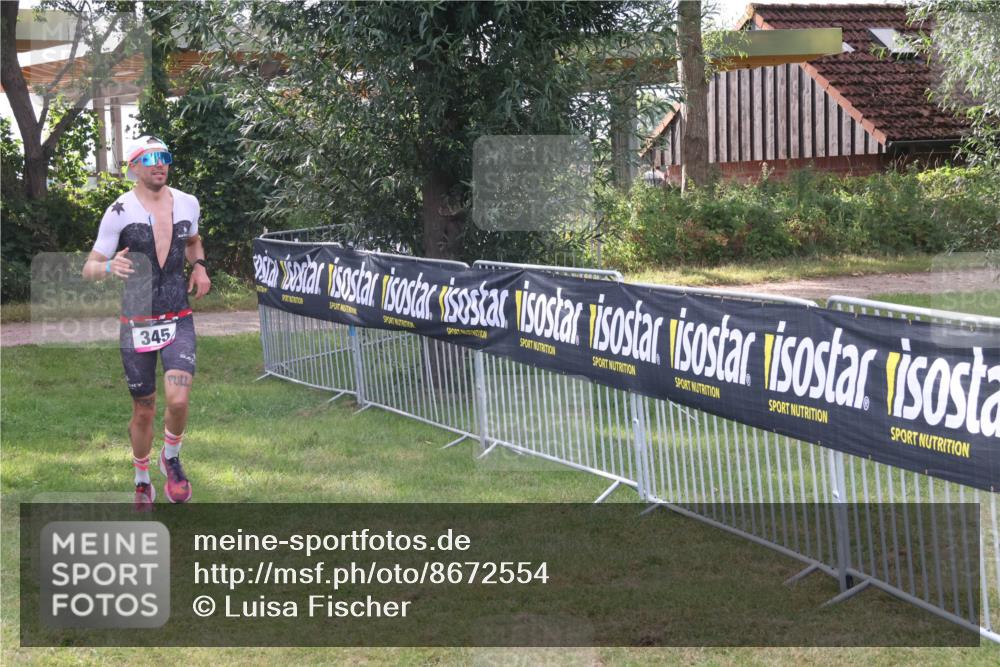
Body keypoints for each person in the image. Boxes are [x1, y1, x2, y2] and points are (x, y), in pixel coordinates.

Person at [81, 136, 211, 511]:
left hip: (178, 317)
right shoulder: (118, 211)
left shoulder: (188, 202)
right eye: (150, 158)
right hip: (136, 322)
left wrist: (199, 265)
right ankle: (141, 480)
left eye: (165, 157)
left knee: (179, 398)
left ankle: (170, 457)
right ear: (133, 166)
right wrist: (108, 266)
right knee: (144, 408)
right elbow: (89, 267)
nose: (160, 164)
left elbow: (193, 240)